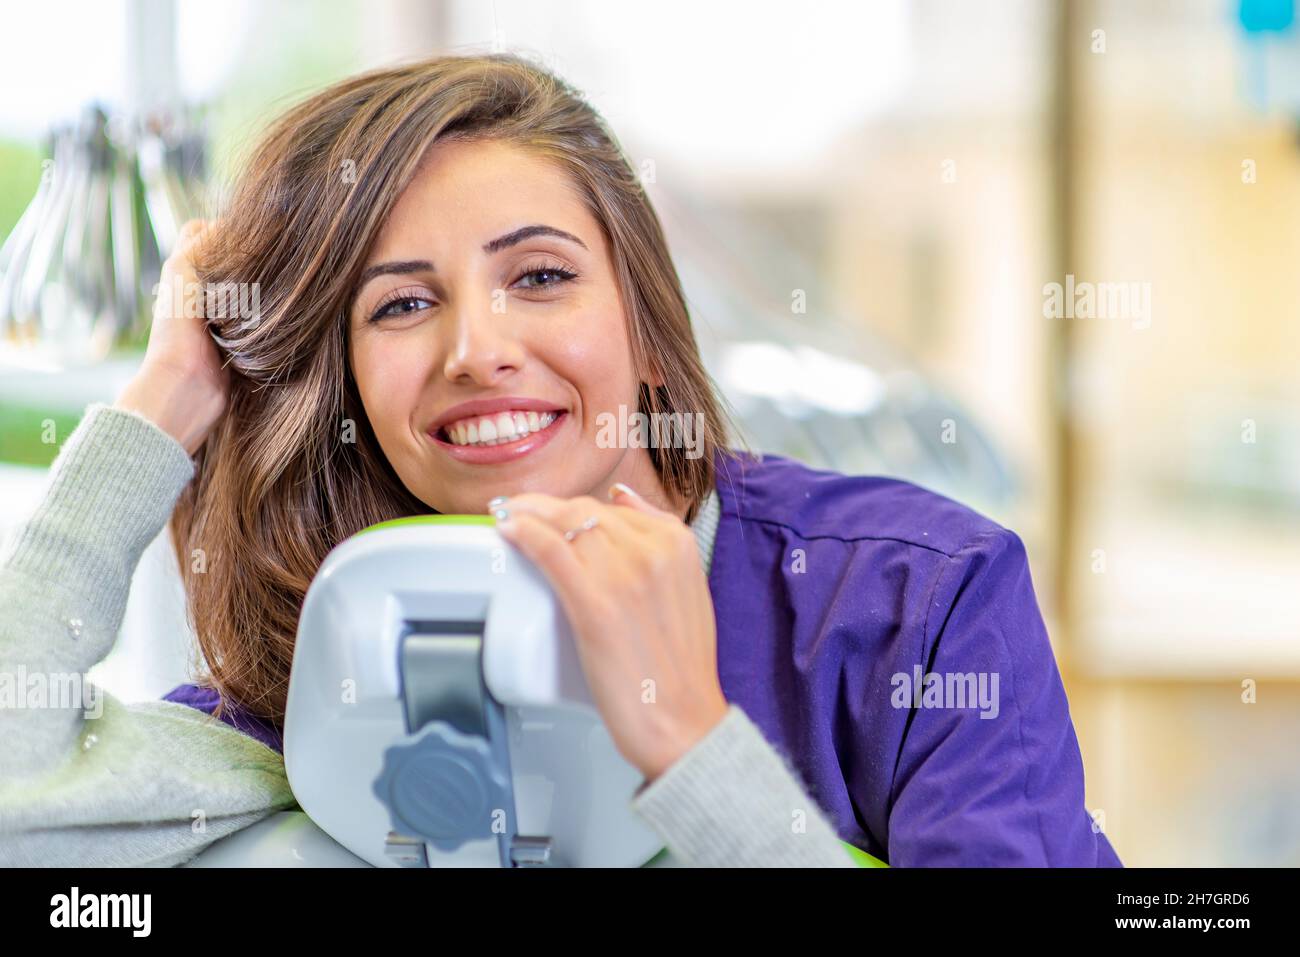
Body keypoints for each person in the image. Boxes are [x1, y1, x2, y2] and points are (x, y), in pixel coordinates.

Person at [0, 52, 1120, 867]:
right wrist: (168, 402)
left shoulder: (910, 601)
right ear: (343, 376)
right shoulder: (322, 662)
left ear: (639, 316)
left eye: (538, 276)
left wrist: (692, 746)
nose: (478, 351)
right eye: (400, 304)